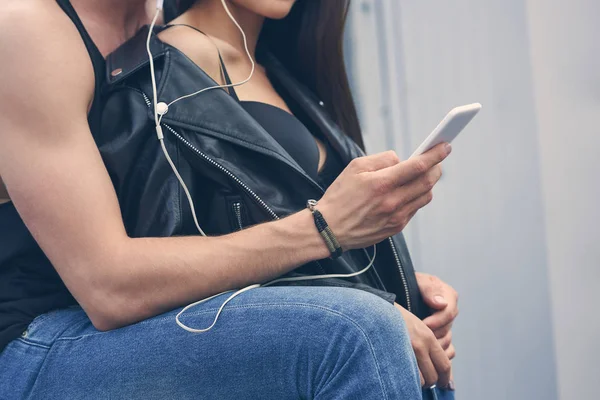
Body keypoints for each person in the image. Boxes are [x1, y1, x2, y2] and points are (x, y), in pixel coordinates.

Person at [0, 0, 459, 398]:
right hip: (36, 344)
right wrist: (327, 231)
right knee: (362, 332)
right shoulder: (28, 30)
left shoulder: (166, 22)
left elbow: (199, 235)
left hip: (131, 325)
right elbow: (108, 288)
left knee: (394, 328)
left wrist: (369, 275)